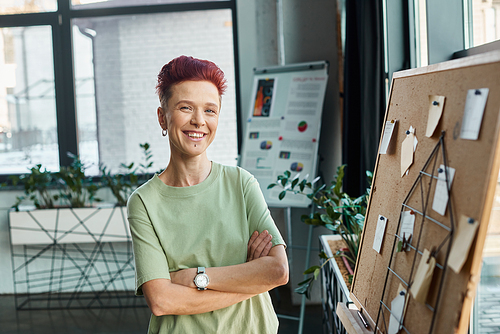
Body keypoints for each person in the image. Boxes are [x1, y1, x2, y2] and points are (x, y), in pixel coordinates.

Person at [127, 55, 289, 334]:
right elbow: (162, 300)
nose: (199, 121)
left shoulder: (241, 183)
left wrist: (196, 278)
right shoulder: (144, 203)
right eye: (185, 107)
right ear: (162, 117)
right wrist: (250, 280)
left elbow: (277, 271)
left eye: (210, 110)